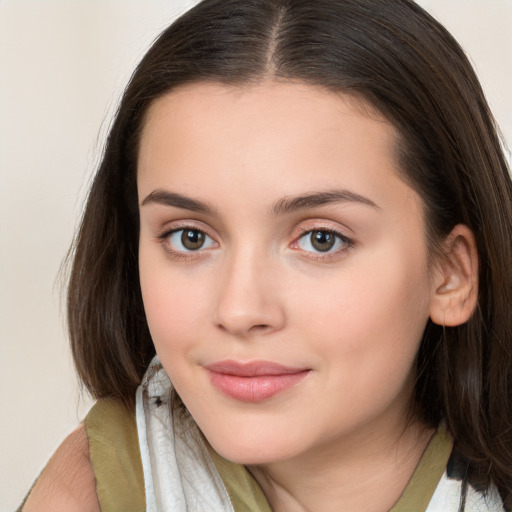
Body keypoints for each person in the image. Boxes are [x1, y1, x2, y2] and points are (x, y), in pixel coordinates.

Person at [20, 0, 512, 511]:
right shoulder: (95, 489)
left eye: (322, 239)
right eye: (190, 237)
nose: (239, 310)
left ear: (450, 275)